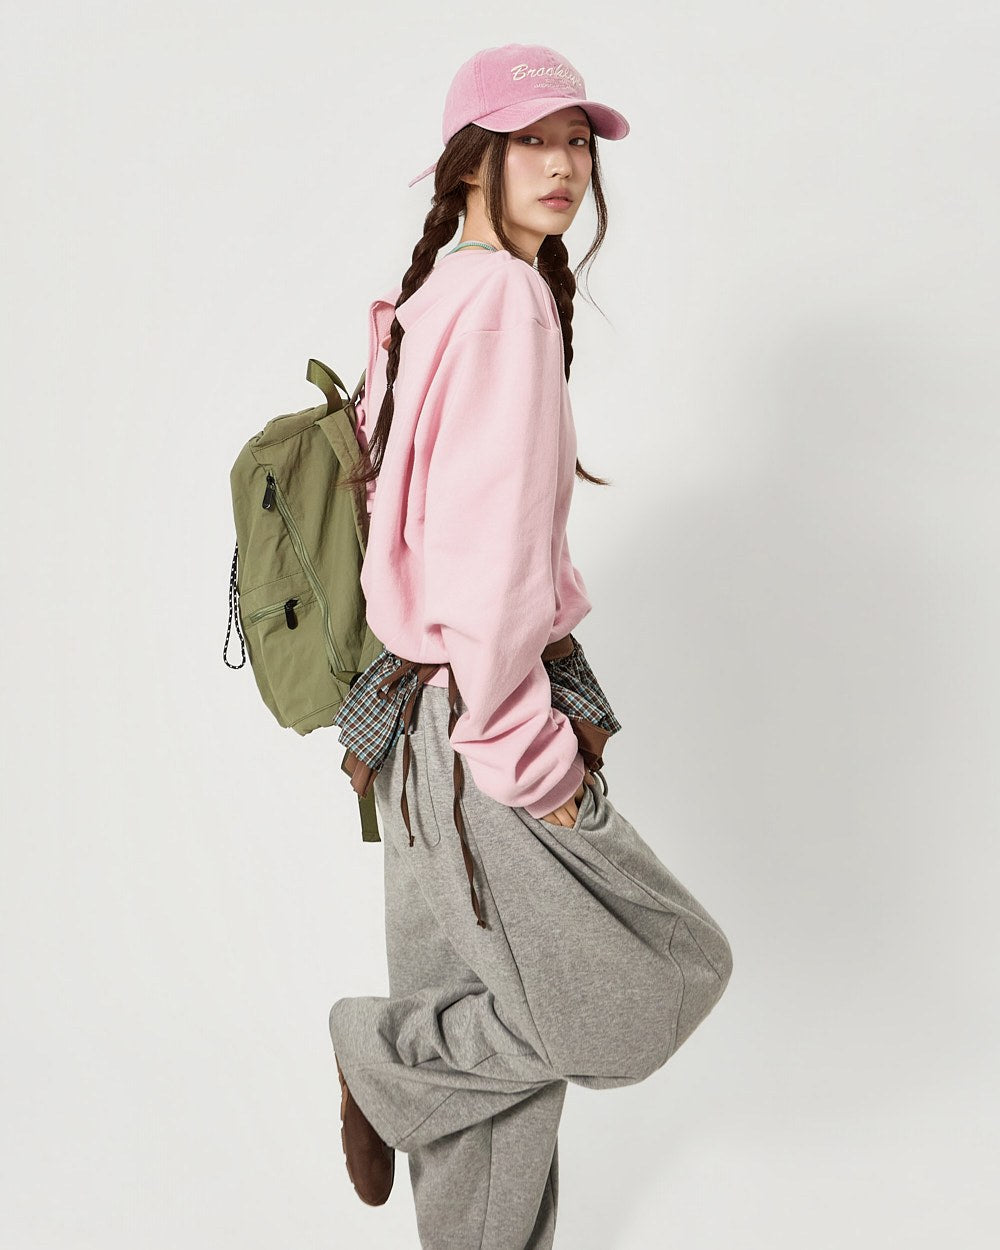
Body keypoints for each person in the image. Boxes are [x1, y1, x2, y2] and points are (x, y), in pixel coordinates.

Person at [328, 42, 734, 1248]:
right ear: (473, 162)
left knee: (487, 1087)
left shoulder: (425, 302)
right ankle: (381, 1057)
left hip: (407, 720)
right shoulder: (503, 300)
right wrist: (526, 750)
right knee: (663, 975)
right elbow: (488, 558)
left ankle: (398, 1064)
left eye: (576, 144)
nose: (563, 166)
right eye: (532, 142)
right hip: (480, 721)